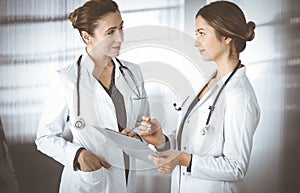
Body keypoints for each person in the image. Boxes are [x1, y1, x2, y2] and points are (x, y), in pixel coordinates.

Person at [138, 1, 260, 193]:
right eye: (196, 34)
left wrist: (182, 159)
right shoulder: (205, 83)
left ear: (226, 35)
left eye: (202, 33)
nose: (196, 41)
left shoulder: (240, 96)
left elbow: (236, 168)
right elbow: (192, 143)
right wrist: (162, 141)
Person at [35, 0, 149, 193]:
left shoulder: (132, 72)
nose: (120, 37)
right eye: (110, 32)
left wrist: (137, 134)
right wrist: (77, 155)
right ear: (87, 36)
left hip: (127, 176)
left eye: (121, 28)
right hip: (90, 182)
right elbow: (44, 138)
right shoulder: (67, 79)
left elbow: (143, 122)